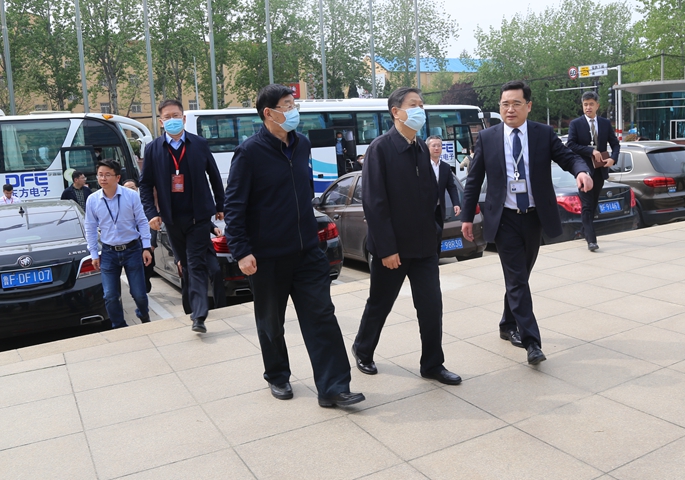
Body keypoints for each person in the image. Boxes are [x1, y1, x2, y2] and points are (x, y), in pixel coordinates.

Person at [223, 84, 363, 408]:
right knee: (271, 323)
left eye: (293, 104)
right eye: (287, 105)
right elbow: (234, 206)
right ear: (268, 113)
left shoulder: (302, 145)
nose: (294, 110)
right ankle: (277, 375)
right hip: (267, 257)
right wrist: (241, 251)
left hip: (307, 252)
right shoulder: (249, 153)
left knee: (322, 316)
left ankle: (334, 388)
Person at [461, 80, 592, 365]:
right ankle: (531, 342)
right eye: (505, 104)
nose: (510, 109)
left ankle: (507, 324)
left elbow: (568, 157)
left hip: (534, 217)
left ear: (528, 106)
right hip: (504, 218)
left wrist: (581, 172)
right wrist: (467, 217)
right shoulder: (488, 137)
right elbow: (473, 180)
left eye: (516, 103)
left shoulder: (542, 134)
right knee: (517, 279)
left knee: (520, 276)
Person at [352, 88, 462, 386]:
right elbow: (375, 203)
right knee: (380, 303)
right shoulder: (380, 149)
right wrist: (387, 249)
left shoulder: (422, 148)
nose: (420, 110)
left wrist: (435, 232)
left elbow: (430, 195)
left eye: (422, 105)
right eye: (414, 105)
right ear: (396, 112)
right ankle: (363, 349)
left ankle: (433, 364)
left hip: (425, 246)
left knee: (431, 307)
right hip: (393, 250)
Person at [140, 99, 225, 333]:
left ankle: (199, 315)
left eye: (176, 116)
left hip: (198, 217)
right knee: (186, 266)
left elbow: (214, 175)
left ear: (184, 118)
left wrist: (220, 204)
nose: (172, 120)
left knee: (195, 264)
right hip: (171, 219)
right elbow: (145, 185)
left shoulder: (198, 144)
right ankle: (191, 307)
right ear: (161, 122)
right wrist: (152, 213)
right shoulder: (153, 149)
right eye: (167, 117)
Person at [84, 159, 153, 328]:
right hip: (109, 252)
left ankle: (143, 314)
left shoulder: (131, 196)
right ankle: (119, 326)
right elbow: (90, 228)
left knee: (139, 294)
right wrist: (94, 254)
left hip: (132, 249)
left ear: (117, 177)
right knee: (110, 295)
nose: (103, 178)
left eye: (108, 175)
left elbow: (142, 221)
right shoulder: (93, 200)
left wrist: (146, 247)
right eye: (100, 175)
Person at [566, 91, 620, 252]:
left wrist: (613, 159)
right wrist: (591, 151)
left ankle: (584, 231)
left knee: (593, 204)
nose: (588, 107)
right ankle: (591, 241)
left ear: (597, 105)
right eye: (585, 104)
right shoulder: (576, 124)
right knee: (587, 206)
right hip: (583, 170)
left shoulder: (605, 123)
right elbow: (571, 144)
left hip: (600, 170)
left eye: (591, 104)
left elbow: (615, 144)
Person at [426, 135, 461, 251]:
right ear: (427, 148)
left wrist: (456, 203)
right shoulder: (422, 166)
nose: (437, 148)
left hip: (439, 208)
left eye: (439, 146)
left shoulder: (445, 167)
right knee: (434, 233)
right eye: (433, 146)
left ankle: (435, 259)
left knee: (438, 237)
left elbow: (451, 187)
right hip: (425, 209)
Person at [124, 179, 157, 293]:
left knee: (148, 267)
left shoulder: (145, 203)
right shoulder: (121, 205)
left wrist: (152, 243)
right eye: (127, 189)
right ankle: (140, 289)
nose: (130, 191)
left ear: (137, 189)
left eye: (132, 188)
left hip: (145, 242)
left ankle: (145, 283)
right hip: (131, 244)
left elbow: (151, 223)